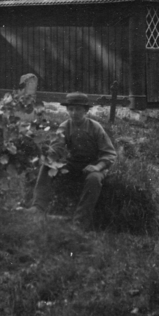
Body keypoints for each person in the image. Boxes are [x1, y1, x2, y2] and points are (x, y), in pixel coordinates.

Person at [33, 92, 117, 231]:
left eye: (78, 109)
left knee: (94, 180)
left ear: (86, 111)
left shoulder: (95, 127)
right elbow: (57, 149)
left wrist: (97, 167)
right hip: (73, 164)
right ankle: (38, 207)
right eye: (71, 109)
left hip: (95, 165)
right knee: (47, 167)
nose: (74, 113)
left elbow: (109, 154)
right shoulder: (65, 126)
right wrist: (48, 155)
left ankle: (79, 222)